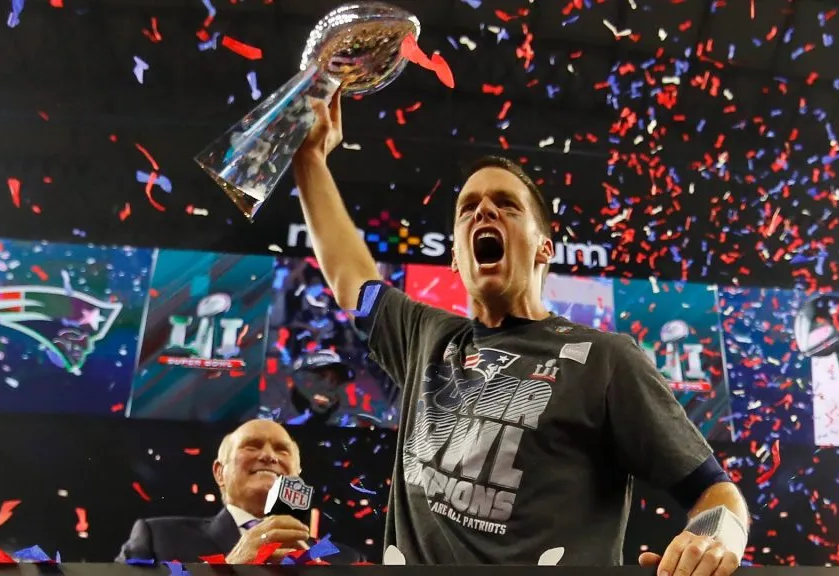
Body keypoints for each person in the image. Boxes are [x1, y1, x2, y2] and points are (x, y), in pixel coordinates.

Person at [289, 88, 749, 570]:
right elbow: (348, 276)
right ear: (456, 259)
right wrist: (310, 159)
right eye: (468, 208)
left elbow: (714, 491)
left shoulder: (605, 359)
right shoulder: (426, 337)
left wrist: (716, 542)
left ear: (544, 248)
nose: (483, 212)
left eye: (506, 205)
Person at [115, 419, 364, 564]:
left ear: (295, 475)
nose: (268, 456)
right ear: (219, 472)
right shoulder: (158, 538)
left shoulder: (344, 559)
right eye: (252, 446)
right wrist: (231, 570)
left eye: (282, 450)